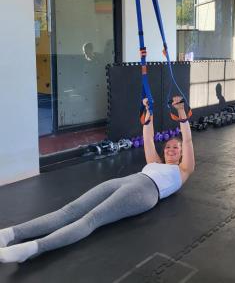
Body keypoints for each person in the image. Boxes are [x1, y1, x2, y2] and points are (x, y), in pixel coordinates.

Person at [0, 96, 194, 263]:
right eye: (168, 147)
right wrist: (147, 111)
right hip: (128, 180)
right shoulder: (154, 162)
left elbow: (187, 140)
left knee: (92, 219)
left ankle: (33, 249)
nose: (170, 149)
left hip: (145, 192)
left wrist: (180, 111)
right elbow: (148, 137)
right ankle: (9, 234)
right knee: (69, 210)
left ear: (181, 153)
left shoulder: (183, 170)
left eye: (175, 148)